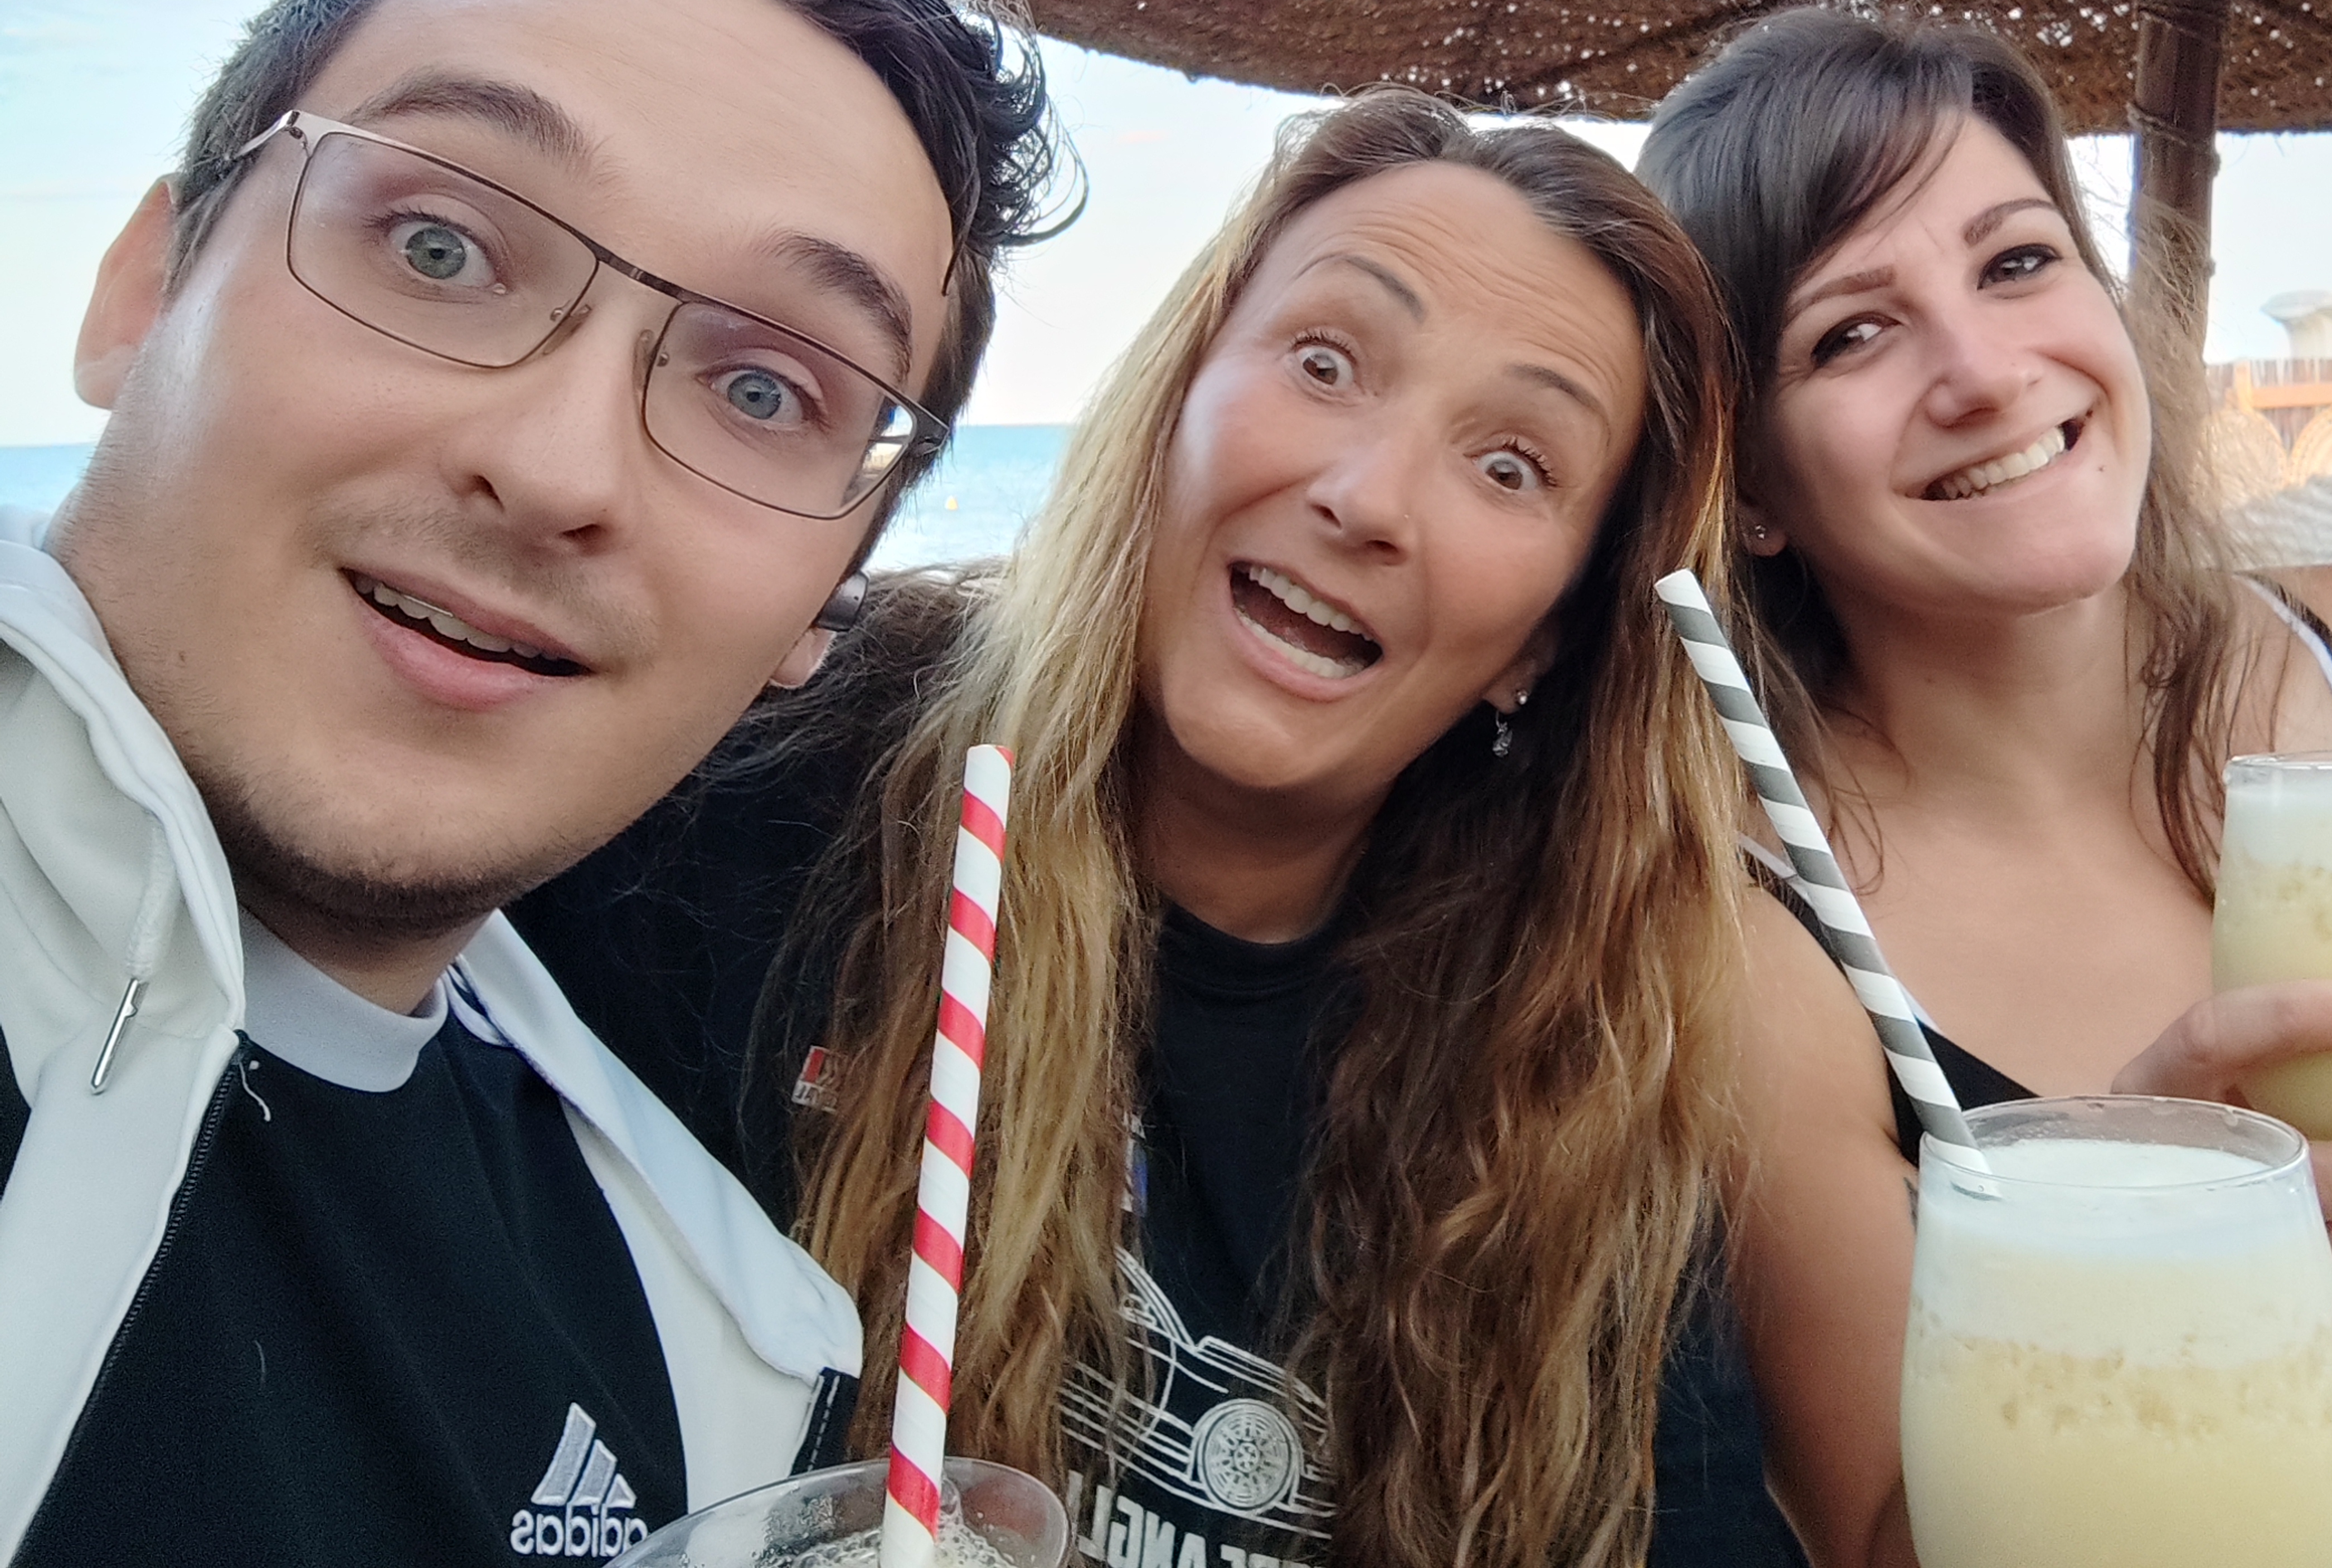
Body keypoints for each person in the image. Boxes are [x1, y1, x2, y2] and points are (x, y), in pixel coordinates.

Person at [526, 90, 1802, 1567]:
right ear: (1175, 398)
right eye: (1324, 362)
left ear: (1548, 638)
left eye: (1511, 465)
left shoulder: (1575, 1076)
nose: (1367, 498)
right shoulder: (745, 800)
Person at [0, 0, 1060, 1567]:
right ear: (145, 288)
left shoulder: (706, 1343)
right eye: (438, 246)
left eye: (766, 389)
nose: (560, 468)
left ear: (825, 597)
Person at [1638, 7, 2332, 1568]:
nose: (1983, 372)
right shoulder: (1753, 925)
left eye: (2017, 261)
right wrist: (2124, 1274)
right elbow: (1880, 1536)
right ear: (1755, 488)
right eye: (1851, 334)